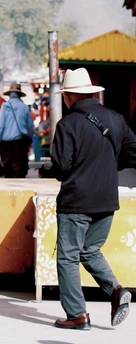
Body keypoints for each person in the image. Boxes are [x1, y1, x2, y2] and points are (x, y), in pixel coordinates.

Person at [51, 67, 136, 330]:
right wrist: (109, 165)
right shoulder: (115, 118)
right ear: (91, 93)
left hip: (76, 201)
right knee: (90, 250)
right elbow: (133, 153)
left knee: (68, 257)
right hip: (107, 200)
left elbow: (61, 168)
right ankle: (116, 290)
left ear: (68, 96)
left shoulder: (67, 124)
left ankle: (77, 315)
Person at [0, 82, 33, 178]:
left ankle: (9, 185)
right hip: (20, 142)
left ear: (9, 94)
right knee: (19, 168)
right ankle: (18, 185)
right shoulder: (25, 107)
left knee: (7, 167)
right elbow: (30, 126)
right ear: (20, 94)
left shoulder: (4, 106)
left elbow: (0, 125)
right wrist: (29, 139)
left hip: (5, 143)